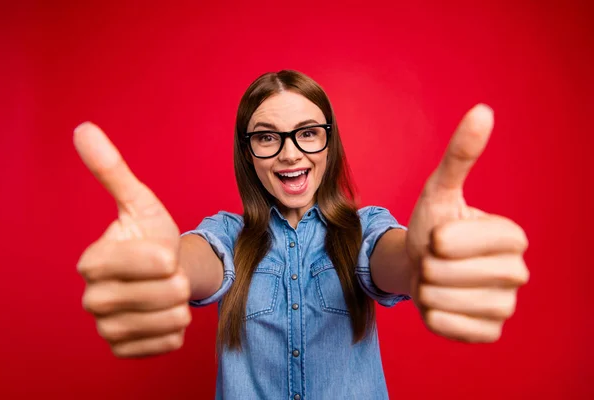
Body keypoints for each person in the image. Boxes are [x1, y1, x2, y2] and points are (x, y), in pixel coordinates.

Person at [73, 70, 529, 399]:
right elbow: (196, 262)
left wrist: (426, 261)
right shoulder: (227, 235)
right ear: (248, 153)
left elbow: (398, 258)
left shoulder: (365, 228)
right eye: (267, 137)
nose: (290, 154)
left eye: (308, 133)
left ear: (329, 143)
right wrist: (163, 267)